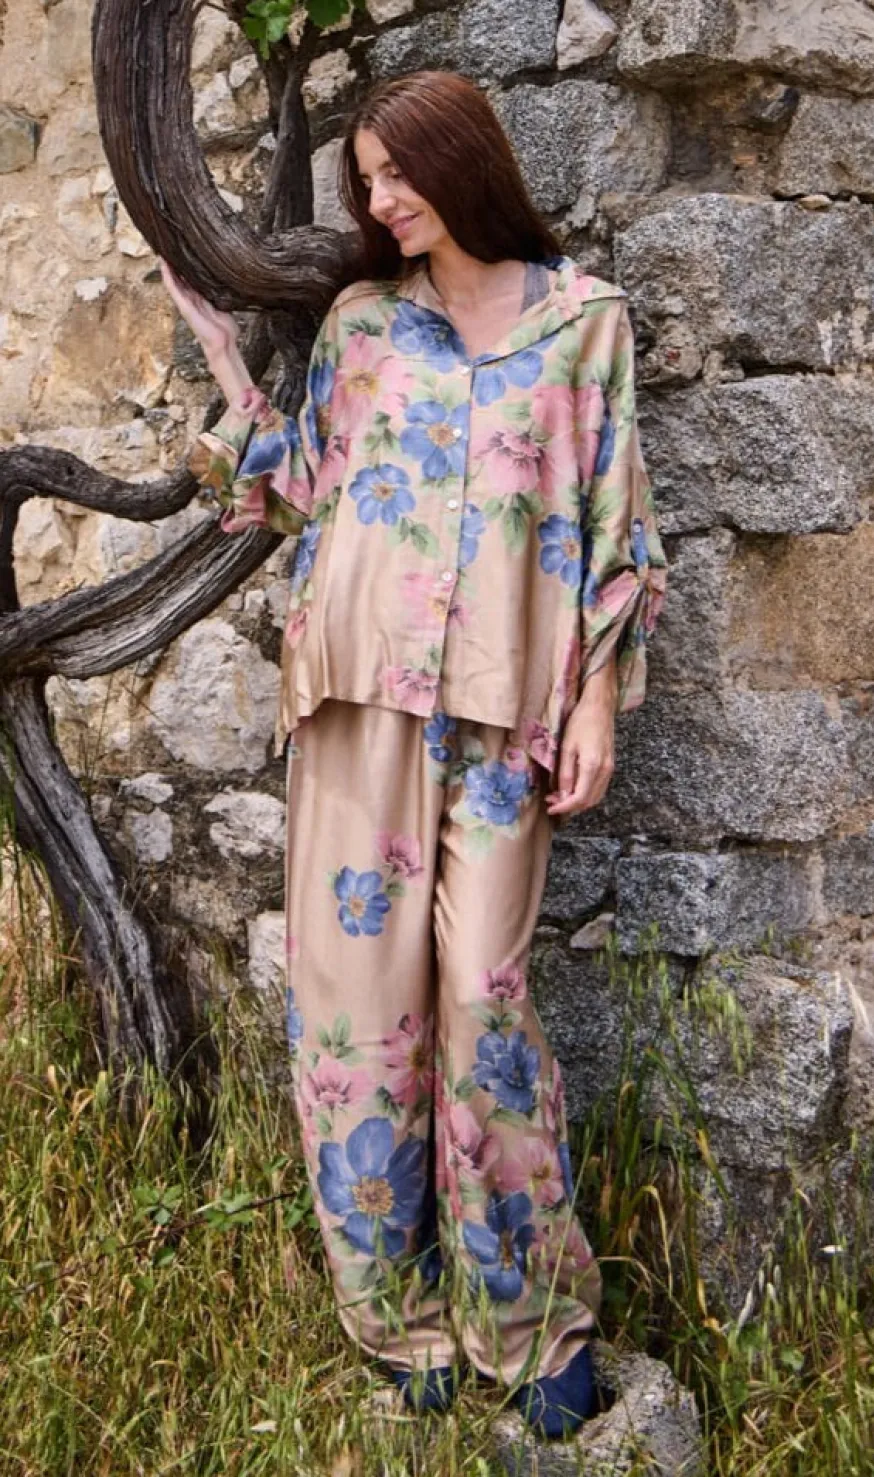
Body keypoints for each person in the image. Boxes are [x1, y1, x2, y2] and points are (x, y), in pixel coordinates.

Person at [164, 69, 667, 1440]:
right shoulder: (364, 324)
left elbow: (617, 531)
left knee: (484, 1001)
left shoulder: (585, 323)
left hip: (507, 714)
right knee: (357, 1012)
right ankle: (402, 1325)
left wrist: (597, 703)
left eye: (399, 172)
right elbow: (308, 488)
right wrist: (227, 372)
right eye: (368, 179)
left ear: (465, 162)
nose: (382, 200)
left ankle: (535, 1319)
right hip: (356, 697)